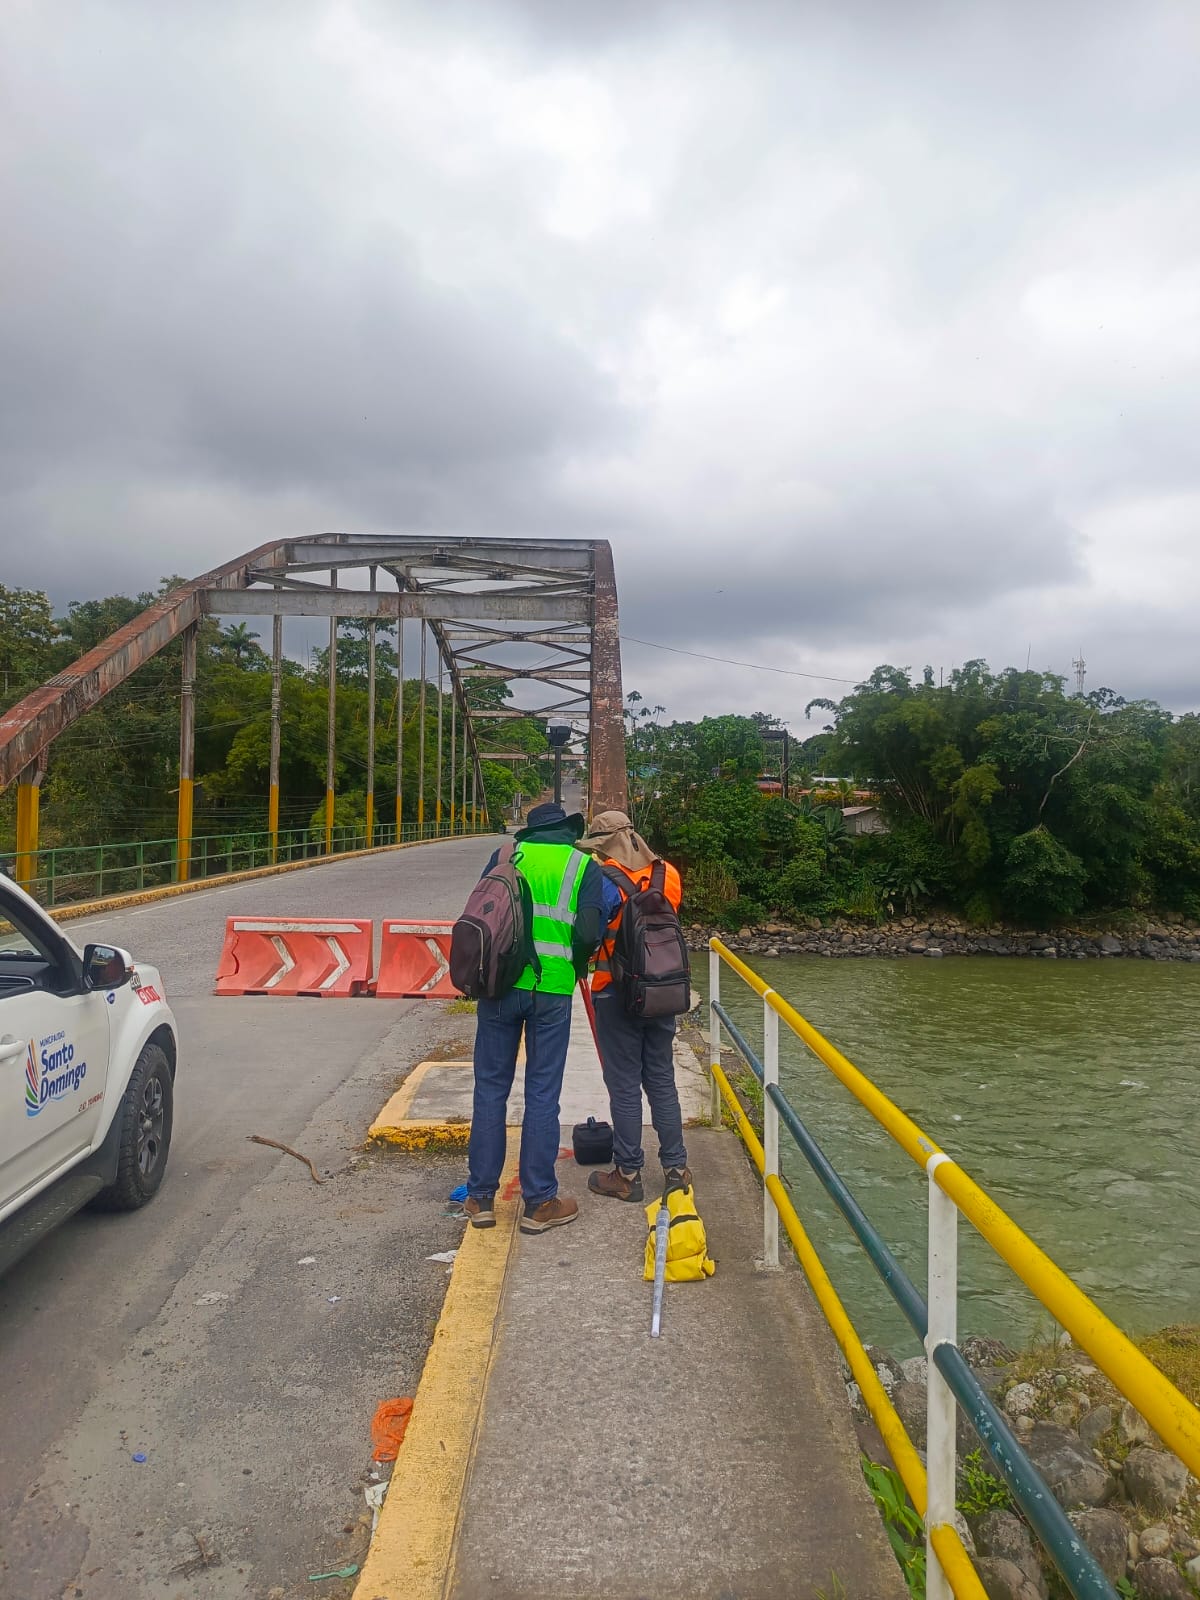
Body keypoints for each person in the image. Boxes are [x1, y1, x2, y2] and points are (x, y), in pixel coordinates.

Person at [465, 801, 606, 1236]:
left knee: (491, 1090)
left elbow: (482, 913)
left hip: (500, 985)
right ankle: (540, 1201)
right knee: (543, 1094)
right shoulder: (583, 865)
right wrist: (576, 962)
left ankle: (480, 1199)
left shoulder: (506, 855)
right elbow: (589, 932)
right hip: (553, 991)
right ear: (567, 830)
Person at [577, 810, 691, 1202]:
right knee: (661, 1077)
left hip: (616, 993)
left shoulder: (602, 879)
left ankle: (628, 1174)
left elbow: (592, 933)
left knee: (624, 1083)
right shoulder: (668, 873)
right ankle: (676, 1169)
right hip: (663, 991)